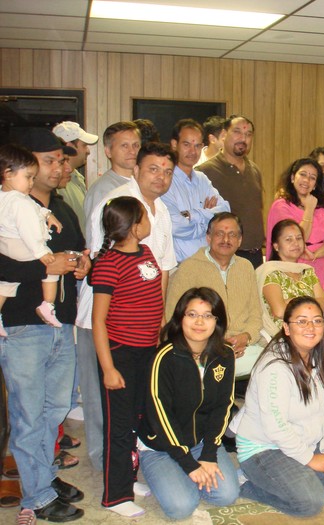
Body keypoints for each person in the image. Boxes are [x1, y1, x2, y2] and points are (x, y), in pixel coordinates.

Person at [1, 128, 89, 524]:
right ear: (23, 166)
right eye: (49, 160)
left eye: (62, 159)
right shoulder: (7, 207)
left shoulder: (62, 209)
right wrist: (48, 265)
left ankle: (44, 477)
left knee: (54, 409)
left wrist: (82, 263)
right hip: (23, 324)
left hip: (61, 321)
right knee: (28, 415)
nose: (59, 167)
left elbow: (79, 251)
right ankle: (36, 496)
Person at [77, 141, 178, 473]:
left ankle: (128, 463)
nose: (161, 177)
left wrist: (159, 319)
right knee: (105, 401)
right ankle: (107, 468)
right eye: (153, 169)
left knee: (134, 402)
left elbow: (163, 268)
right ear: (136, 169)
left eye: (168, 171)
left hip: (142, 328)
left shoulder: (161, 209)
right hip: (107, 321)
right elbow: (100, 257)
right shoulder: (117, 203)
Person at [236, 297, 324, 517]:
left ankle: (296, 473)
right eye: (301, 321)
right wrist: (310, 459)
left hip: (303, 440)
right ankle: (247, 482)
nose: (310, 327)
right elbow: (276, 427)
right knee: (310, 501)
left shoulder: (319, 358)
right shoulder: (275, 367)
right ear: (286, 328)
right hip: (264, 448)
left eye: (317, 321)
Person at [90, 196, 164, 517]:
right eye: (145, 216)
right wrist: (108, 367)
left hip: (147, 350)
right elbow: (98, 320)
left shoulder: (145, 252)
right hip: (120, 353)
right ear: (134, 226)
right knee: (119, 426)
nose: (149, 220)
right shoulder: (109, 264)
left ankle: (129, 480)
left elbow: (153, 297)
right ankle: (115, 496)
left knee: (136, 419)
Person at [139, 287, 239, 519]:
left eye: (208, 315)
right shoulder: (164, 357)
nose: (199, 322)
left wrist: (209, 453)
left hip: (200, 442)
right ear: (180, 318)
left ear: (218, 321)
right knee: (181, 507)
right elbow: (159, 415)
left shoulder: (225, 354)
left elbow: (223, 406)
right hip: (161, 447)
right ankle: (163, 471)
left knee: (226, 495)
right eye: (192, 314)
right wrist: (188, 464)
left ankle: (185, 473)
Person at [166, 212, 264, 377]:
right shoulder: (189, 268)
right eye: (219, 234)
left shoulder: (246, 267)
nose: (226, 239)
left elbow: (256, 315)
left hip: (243, 346)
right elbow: (173, 317)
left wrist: (246, 337)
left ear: (240, 240)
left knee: (274, 362)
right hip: (202, 348)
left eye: (232, 235)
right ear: (208, 237)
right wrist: (214, 344)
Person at [0, 144, 63, 335]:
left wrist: (48, 214)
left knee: (7, 284)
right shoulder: (19, 201)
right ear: (8, 174)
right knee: (52, 267)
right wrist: (41, 252)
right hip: (21, 245)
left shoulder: (5, 195)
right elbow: (28, 229)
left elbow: (35, 208)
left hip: (6, 245)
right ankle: (48, 304)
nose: (31, 183)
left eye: (33, 178)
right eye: (28, 177)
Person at [198, 115, 264, 268]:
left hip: (254, 255)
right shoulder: (204, 172)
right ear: (223, 135)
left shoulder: (254, 170)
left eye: (248, 134)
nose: (243, 138)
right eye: (237, 132)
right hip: (223, 257)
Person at [161, 118, 230, 262]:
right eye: (187, 144)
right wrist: (208, 223)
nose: (193, 151)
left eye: (197, 146)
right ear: (174, 144)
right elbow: (175, 226)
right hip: (179, 266)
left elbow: (225, 210)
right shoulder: (165, 180)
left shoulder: (202, 179)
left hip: (208, 263)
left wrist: (191, 215)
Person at [266, 158, 324, 290]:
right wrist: (309, 209)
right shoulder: (281, 206)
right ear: (293, 177)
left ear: (315, 184)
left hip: (323, 268)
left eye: (312, 177)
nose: (306, 180)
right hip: (293, 270)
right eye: (303, 174)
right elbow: (299, 238)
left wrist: (314, 255)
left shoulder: (321, 207)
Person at [257, 219, 324, 337]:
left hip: (313, 329)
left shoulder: (307, 271)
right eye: (288, 239)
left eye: (299, 238)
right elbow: (280, 311)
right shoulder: (271, 273)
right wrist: (310, 301)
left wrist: (291, 301)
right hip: (286, 333)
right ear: (276, 246)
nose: (295, 243)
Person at [83, 121, 141, 230]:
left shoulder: (144, 184)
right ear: (108, 151)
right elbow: (95, 231)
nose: (132, 151)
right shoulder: (103, 190)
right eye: (124, 146)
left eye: (136, 145)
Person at [52, 121, 99, 235]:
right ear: (69, 146)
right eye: (84, 145)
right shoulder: (55, 183)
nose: (88, 151)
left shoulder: (76, 178)